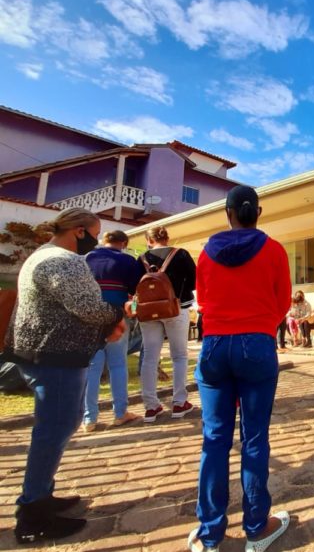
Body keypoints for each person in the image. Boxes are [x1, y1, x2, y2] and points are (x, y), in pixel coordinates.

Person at [10, 208, 125, 544]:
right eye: (94, 232)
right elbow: (88, 307)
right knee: (54, 429)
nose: (95, 239)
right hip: (55, 355)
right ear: (79, 231)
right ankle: (32, 515)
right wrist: (118, 314)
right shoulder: (65, 260)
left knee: (60, 423)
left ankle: (41, 494)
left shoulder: (41, 255)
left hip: (41, 351)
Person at [189, 185, 291, 552]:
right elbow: (282, 301)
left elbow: (202, 299)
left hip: (214, 345)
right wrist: (261, 326)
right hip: (257, 344)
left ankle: (210, 534)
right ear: (257, 212)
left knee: (214, 439)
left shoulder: (205, 253)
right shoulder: (275, 249)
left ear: (228, 213)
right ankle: (256, 527)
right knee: (254, 437)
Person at [82, 230, 145, 432]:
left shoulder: (87, 258)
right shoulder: (128, 261)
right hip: (118, 315)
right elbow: (137, 292)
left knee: (92, 367)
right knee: (118, 365)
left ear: (103, 241)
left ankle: (89, 418)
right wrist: (133, 312)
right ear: (124, 243)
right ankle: (120, 413)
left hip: (90, 317)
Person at [139, 225, 197, 423]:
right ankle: (180, 402)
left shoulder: (141, 259)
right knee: (179, 356)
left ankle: (151, 407)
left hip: (148, 311)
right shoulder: (180, 255)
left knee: (149, 357)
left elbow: (134, 285)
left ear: (149, 240)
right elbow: (193, 280)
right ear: (166, 237)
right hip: (176, 308)